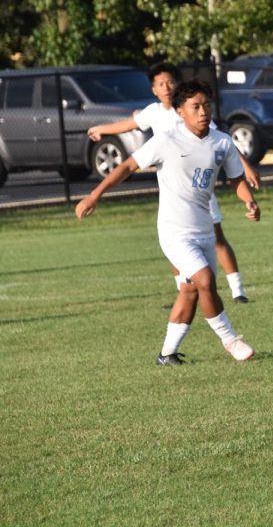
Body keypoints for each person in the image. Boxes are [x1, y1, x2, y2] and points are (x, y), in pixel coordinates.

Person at [76, 81, 259, 365]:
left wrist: (248, 200)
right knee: (205, 280)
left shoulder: (222, 141)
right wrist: (94, 196)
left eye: (206, 105)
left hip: (204, 230)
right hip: (174, 232)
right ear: (180, 111)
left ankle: (167, 354)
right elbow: (127, 167)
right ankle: (231, 340)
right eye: (195, 107)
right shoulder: (166, 140)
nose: (203, 112)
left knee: (190, 291)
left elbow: (236, 180)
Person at [88, 61, 257, 302]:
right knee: (178, 247)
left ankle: (237, 290)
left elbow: (223, 145)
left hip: (201, 189)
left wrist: (246, 172)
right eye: (160, 83)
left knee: (216, 238)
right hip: (175, 191)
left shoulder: (197, 112)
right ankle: (185, 293)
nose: (166, 87)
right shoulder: (155, 115)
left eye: (170, 81)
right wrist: (103, 129)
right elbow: (128, 129)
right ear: (154, 89)